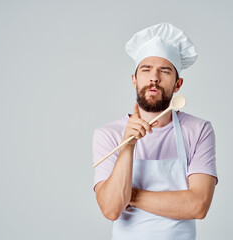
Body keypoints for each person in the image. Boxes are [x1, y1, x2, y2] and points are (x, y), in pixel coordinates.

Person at [92, 22, 218, 240]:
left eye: (165, 71)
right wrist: (127, 147)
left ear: (177, 84)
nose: (154, 77)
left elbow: (198, 205)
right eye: (146, 69)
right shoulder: (108, 135)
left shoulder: (198, 130)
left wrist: (128, 195)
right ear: (134, 80)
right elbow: (111, 209)